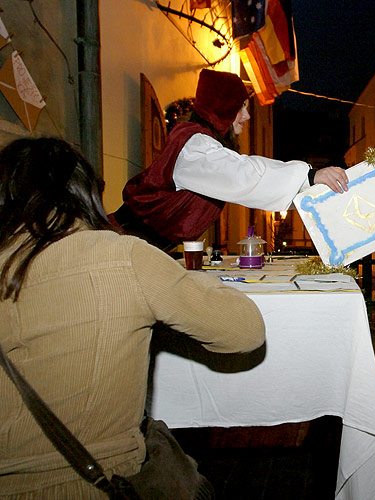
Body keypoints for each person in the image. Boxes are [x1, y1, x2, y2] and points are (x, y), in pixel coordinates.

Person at [0, 137, 267, 499]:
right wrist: (189, 282)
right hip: (101, 482)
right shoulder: (123, 257)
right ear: (85, 193)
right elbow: (244, 330)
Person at [110, 69, 349, 250]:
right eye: (241, 107)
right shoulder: (194, 145)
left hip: (139, 246)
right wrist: (309, 176)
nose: (246, 115)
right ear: (221, 107)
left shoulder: (201, 140)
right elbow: (241, 176)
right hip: (122, 241)